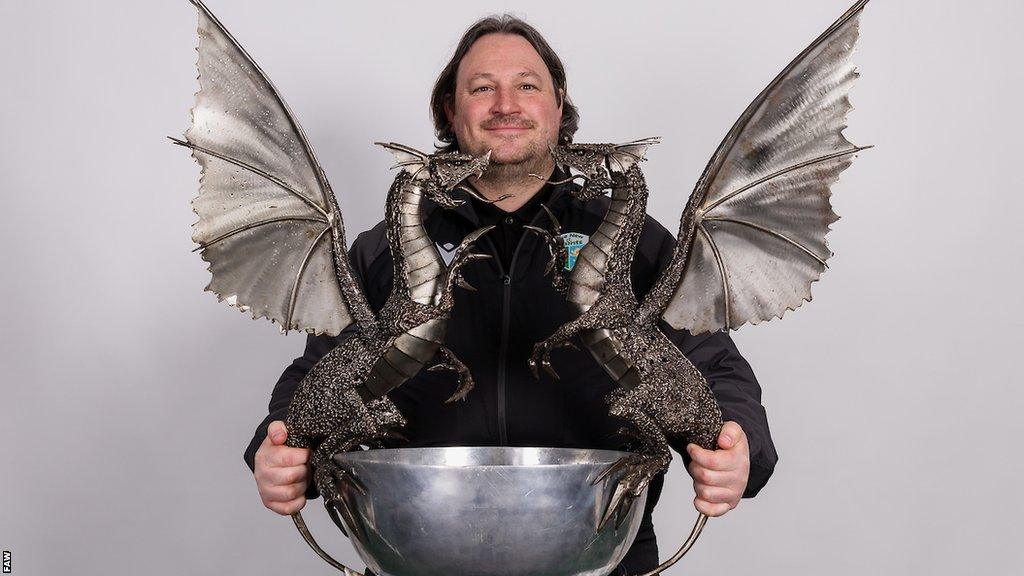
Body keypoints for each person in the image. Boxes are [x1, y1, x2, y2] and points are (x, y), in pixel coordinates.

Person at [244, 15, 777, 575]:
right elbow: (320, 373)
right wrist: (280, 452)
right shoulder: (385, 251)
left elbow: (713, 366)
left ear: (557, 104)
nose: (506, 104)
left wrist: (741, 450)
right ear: (451, 110)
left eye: (527, 85)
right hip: (421, 555)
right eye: (481, 88)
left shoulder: (635, 242)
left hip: (598, 558)